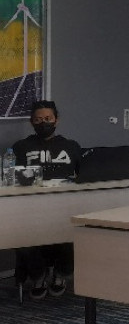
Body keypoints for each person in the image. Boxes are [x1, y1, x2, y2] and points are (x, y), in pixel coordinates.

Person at [12, 100, 82, 299]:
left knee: (77, 231)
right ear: (32, 122)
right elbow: (12, 177)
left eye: (48, 119)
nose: (43, 123)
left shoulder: (71, 146)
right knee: (19, 236)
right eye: (38, 120)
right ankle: (38, 276)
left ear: (56, 120)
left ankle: (61, 274)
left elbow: (84, 176)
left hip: (65, 206)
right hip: (30, 208)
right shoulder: (21, 147)